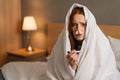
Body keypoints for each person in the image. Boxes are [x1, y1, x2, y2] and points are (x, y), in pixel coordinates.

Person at [46, 3, 120, 80]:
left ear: (89, 25)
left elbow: (103, 71)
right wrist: (72, 67)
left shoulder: (103, 44)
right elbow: (56, 68)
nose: (78, 30)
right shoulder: (63, 44)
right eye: (74, 24)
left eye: (83, 24)